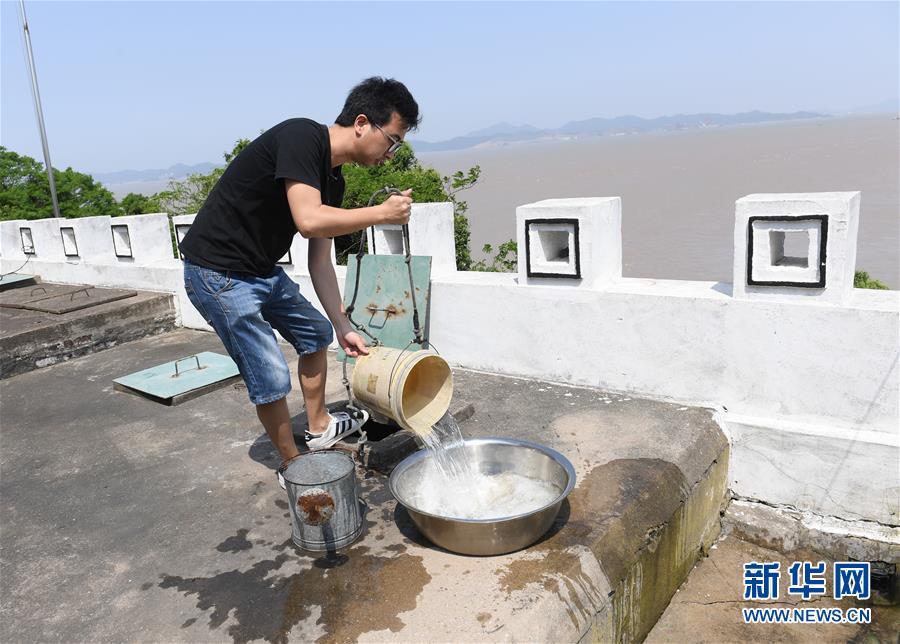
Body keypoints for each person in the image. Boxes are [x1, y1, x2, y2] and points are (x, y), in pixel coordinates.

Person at [178, 77, 419, 474]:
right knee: (270, 373)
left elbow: (319, 261)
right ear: (362, 123)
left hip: (260, 270)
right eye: (392, 141)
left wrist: (342, 326)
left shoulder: (334, 180)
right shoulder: (301, 136)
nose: (391, 155)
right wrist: (381, 214)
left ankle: (319, 426)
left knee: (316, 333)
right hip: (217, 273)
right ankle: (294, 467)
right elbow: (308, 221)